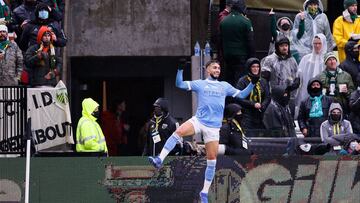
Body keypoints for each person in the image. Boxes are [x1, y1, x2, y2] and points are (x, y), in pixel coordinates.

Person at [148, 59, 257, 203]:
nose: (217, 70)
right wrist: (180, 69)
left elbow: (242, 95)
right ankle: (159, 159)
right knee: (178, 132)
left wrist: (253, 82)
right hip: (199, 121)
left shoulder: (224, 86)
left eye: (219, 68)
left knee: (211, 160)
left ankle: (204, 193)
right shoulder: (200, 83)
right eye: (214, 67)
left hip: (213, 128)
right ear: (207, 69)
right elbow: (179, 84)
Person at [261, 36, 300, 115]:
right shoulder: (270, 59)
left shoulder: (292, 60)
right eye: (282, 46)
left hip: (289, 95)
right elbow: (264, 78)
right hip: (274, 95)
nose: (284, 48)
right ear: (277, 47)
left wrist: (295, 84)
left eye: (286, 45)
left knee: (289, 117)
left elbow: (297, 75)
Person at [219, 0, 254, 85]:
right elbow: (250, 41)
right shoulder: (246, 21)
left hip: (227, 56)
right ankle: (238, 98)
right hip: (241, 56)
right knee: (240, 80)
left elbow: (220, 40)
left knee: (229, 79)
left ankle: (229, 98)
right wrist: (252, 57)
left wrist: (223, 55)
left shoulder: (223, 21)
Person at [236, 58, 270, 135]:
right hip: (247, 114)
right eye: (253, 67)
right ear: (249, 68)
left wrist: (262, 105)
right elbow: (238, 98)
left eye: (257, 67)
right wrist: (253, 104)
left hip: (261, 114)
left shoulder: (263, 81)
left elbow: (268, 97)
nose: (256, 69)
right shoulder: (242, 81)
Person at [319, 52, 354, 117]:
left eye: (333, 59)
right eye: (329, 60)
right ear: (325, 63)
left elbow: (352, 93)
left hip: (342, 106)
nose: (332, 62)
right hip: (326, 106)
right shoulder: (320, 76)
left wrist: (347, 92)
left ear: (336, 61)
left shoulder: (346, 75)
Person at [297, 33, 327, 109]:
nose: (317, 46)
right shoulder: (306, 59)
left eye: (319, 43)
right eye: (315, 43)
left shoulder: (328, 59)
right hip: (307, 90)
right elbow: (299, 75)